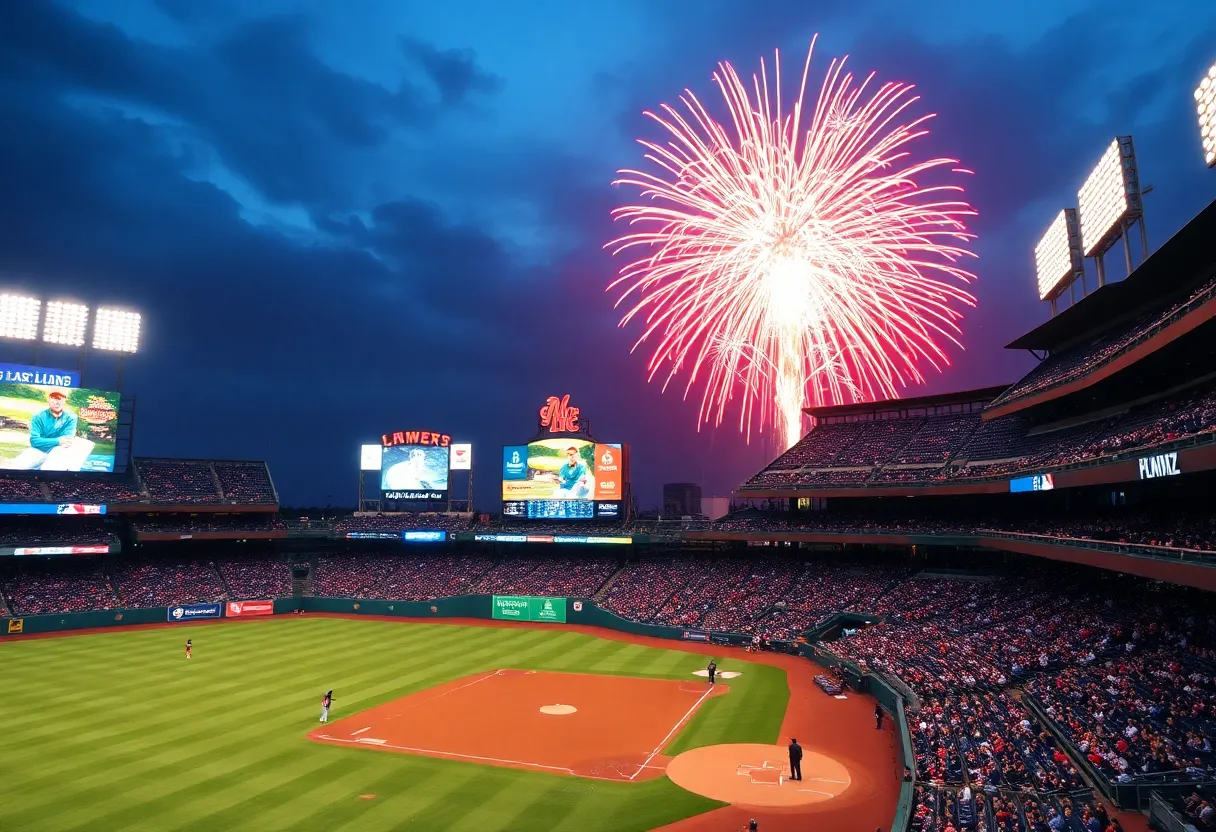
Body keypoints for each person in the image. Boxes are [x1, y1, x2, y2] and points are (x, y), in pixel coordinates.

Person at [1, 389, 95, 472]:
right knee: (14, 468)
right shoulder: (38, 417)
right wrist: (57, 441)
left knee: (50, 469)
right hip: (39, 450)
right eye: (54, 398)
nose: (57, 402)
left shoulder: (71, 417)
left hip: (59, 450)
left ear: (65, 401)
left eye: (60, 398)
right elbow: (34, 441)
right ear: (49, 399)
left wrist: (48, 441)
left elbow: (66, 440)